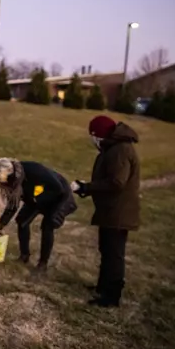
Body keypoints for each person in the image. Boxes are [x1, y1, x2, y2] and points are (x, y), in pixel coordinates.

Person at [71, 115, 140, 308]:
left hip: (118, 211)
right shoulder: (114, 148)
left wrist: (86, 187)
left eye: (92, 136)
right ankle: (103, 287)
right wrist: (87, 188)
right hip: (111, 210)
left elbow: (117, 182)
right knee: (106, 250)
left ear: (98, 135)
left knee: (114, 253)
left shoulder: (120, 150)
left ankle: (111, 296)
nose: (92, 141)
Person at [0, 158, 77, 273]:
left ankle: (42, 264)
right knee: (22, 220)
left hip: (60, 196)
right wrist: (0, 225)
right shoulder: (14, 181)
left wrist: (37, 200)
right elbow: (13, 204)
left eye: (0, 178)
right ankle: (24, 256)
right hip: (37, 196)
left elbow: (57, 188)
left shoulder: (33, 170)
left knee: (47, 226)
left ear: (7, 172)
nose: (0, 182)